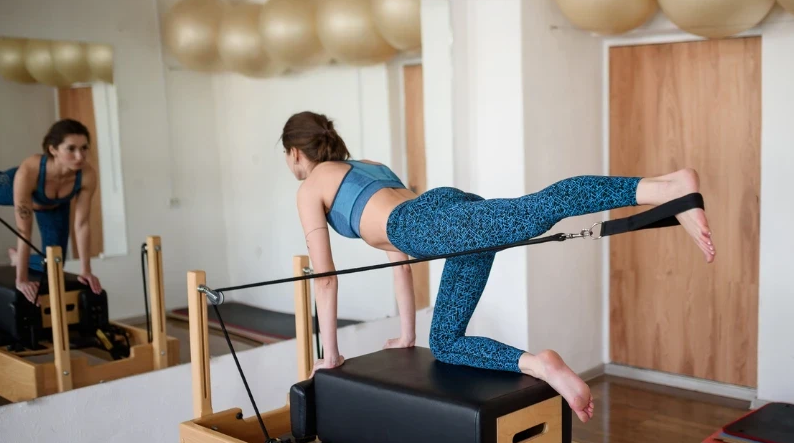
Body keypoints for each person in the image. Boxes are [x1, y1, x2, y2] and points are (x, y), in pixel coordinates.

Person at [283, 111, 715, 423]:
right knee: (447, 342)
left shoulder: (311, 187)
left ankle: (665, 187)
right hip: (442, 210)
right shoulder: (368, 165)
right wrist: (408, 335)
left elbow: (325, 278)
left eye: (289, 159)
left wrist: (331, 356)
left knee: (540, 209)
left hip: (429, 226)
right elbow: (398, 256)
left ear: (295, 153)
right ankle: (542, 365)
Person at [0, 118, 102, 304]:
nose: (80, 156)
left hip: (54, 207)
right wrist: (22, 280)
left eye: (84, 148)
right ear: (53, 150)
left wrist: (86, 270)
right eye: (71, 149)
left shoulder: (87, 175)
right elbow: (24, 230)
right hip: (13, 188)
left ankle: (18, 258)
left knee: (55, 264)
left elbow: (82, 224)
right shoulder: (29, 170)